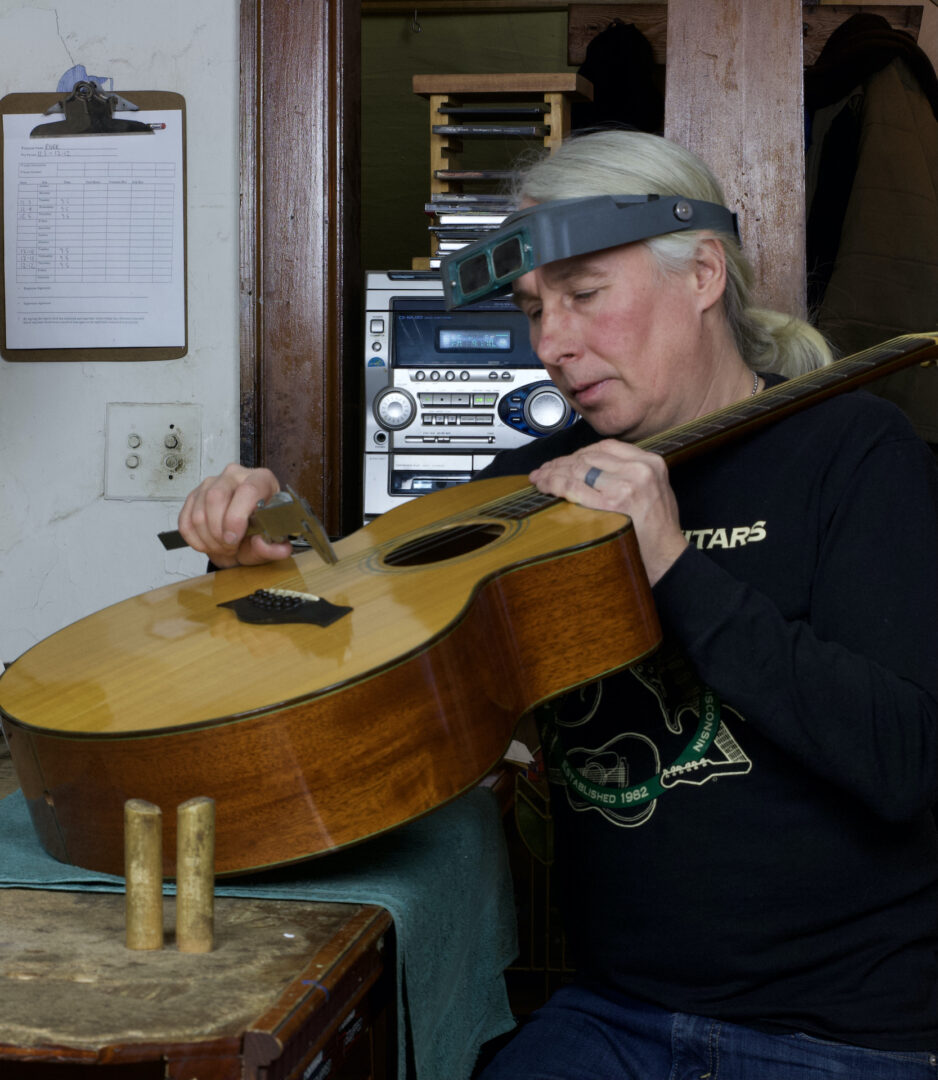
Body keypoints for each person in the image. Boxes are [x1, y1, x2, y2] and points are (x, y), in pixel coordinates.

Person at [177, 130, 938, 1078]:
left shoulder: (854, 452)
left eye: (584, 295)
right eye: (534, 309)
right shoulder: (525, 493)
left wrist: (670, 562)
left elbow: (907, 759)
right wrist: (260, 574)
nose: (551, 345)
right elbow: (349, 670)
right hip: (615, 1017)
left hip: (843, 1035)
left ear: (703, 272)